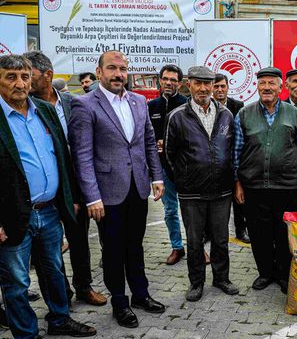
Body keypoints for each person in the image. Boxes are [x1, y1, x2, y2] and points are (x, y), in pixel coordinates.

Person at [0, 54, 96, 338]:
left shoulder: (44, 110)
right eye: (10, 77)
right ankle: (26, 333)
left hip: (50, 211)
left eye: (25, 77)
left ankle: (59, 319)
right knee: (17, 281)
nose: (20, 84)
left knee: (54, 270)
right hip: (14, 215)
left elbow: (63, 158)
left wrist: (72, 197)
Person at [68, 51, 166, 329]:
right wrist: (92, 197)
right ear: (99, 72)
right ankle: (120, 302)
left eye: (123, 69)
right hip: (107, 195)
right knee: (112, 250)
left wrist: (156, 178)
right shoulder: (84, 105)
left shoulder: (138, 101)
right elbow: (82, 156)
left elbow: (148, 141)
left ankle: (140, 294)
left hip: (137, 188)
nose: (118, 74)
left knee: (135, 245)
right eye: (112, 68)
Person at [24, 51, 107, 307]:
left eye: (31, 76)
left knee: (79, 241)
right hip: (44, 189)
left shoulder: (73, 103)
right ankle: (61, 294)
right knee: (48, 250)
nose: (26, 82)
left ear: (48, 75)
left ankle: (83, 287)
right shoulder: (26, 106)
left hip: (75, 187)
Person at [165, 66, 240, 301]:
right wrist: (183, 179)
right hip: (191, 193)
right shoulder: (177, 116)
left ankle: (221, 278)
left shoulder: (226, 114)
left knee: (221, 239)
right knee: (195, 241)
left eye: (208, 84)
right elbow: (169, 153)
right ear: (189, 85)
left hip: (221, 190)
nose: (204, 88)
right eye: (198, 83)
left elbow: (231, 149)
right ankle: (196, 282)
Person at [233, 67, 297, 294]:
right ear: (257, 87)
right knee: (259, 233)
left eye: (272, 83)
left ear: (281, 87)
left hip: (287, 186)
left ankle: (283, 274)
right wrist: (238, 183)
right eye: (262, 84)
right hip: (254, 186)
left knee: (284, 234)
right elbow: (237, 151)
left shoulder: (294, 114)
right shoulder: (244, 114)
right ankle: (265, 273)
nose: (267, 88)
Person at [147, 64, 189, 265]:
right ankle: (177, 247)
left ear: (179, 83)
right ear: (160, 81)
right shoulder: (151, 106)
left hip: (185, 168)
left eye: (173, 80)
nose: (169, 83)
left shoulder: (187, 105)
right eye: (166, 79)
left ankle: (197, 248)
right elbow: (146, 137)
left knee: (191, 211)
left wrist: (171, 143)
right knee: (170, 210)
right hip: (163, 169)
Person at [212, 73, 250, 244]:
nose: (220, 89)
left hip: (234, 158)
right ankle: (210, 232)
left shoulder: (238, 106)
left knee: (239, 200)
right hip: (215, 161)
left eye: (222, 86)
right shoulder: (208, 105)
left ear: (228, 87)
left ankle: (241, 231)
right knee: (215, 199)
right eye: (216, 86)